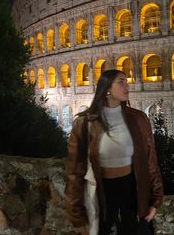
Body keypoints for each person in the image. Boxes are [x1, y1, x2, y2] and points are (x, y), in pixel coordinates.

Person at [65, 69, 163, 235]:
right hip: (101, 191)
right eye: (121, 82)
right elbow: (75, 171)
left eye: (127, 81)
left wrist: (156, 200)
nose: (127, 86)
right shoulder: (84, 123)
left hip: (132, 187)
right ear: (107, 89)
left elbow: (150, 161)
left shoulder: (139, 119)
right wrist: (76, 216)